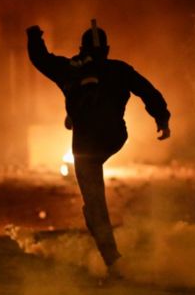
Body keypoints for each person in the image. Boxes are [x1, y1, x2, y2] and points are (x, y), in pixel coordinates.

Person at [26, 21, 171, 276]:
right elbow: (148, 91)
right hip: (114, 137)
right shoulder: (118, 70)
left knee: (94, 203)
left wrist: (34, 35)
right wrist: (161, 119)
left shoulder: (69, 69)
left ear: (81, 48)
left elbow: (41, 59)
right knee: (92, 193)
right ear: (107, 49)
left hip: (85, 147)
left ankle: (111, 258)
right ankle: (110, 254)